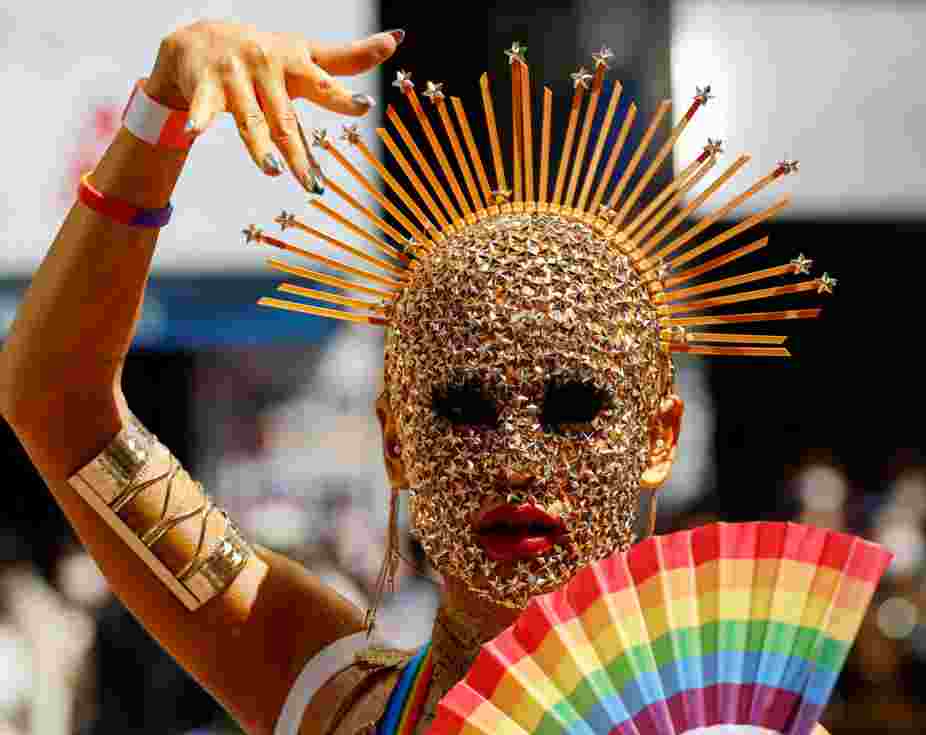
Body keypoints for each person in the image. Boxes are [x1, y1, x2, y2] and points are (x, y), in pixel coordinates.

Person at [0, 19, 828, 735]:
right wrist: (163, 109)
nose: (516, 458)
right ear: (395, 438)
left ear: (659, 436)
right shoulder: (329, 692)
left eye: (574, 405)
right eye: (464, 403)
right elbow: (57, 404)